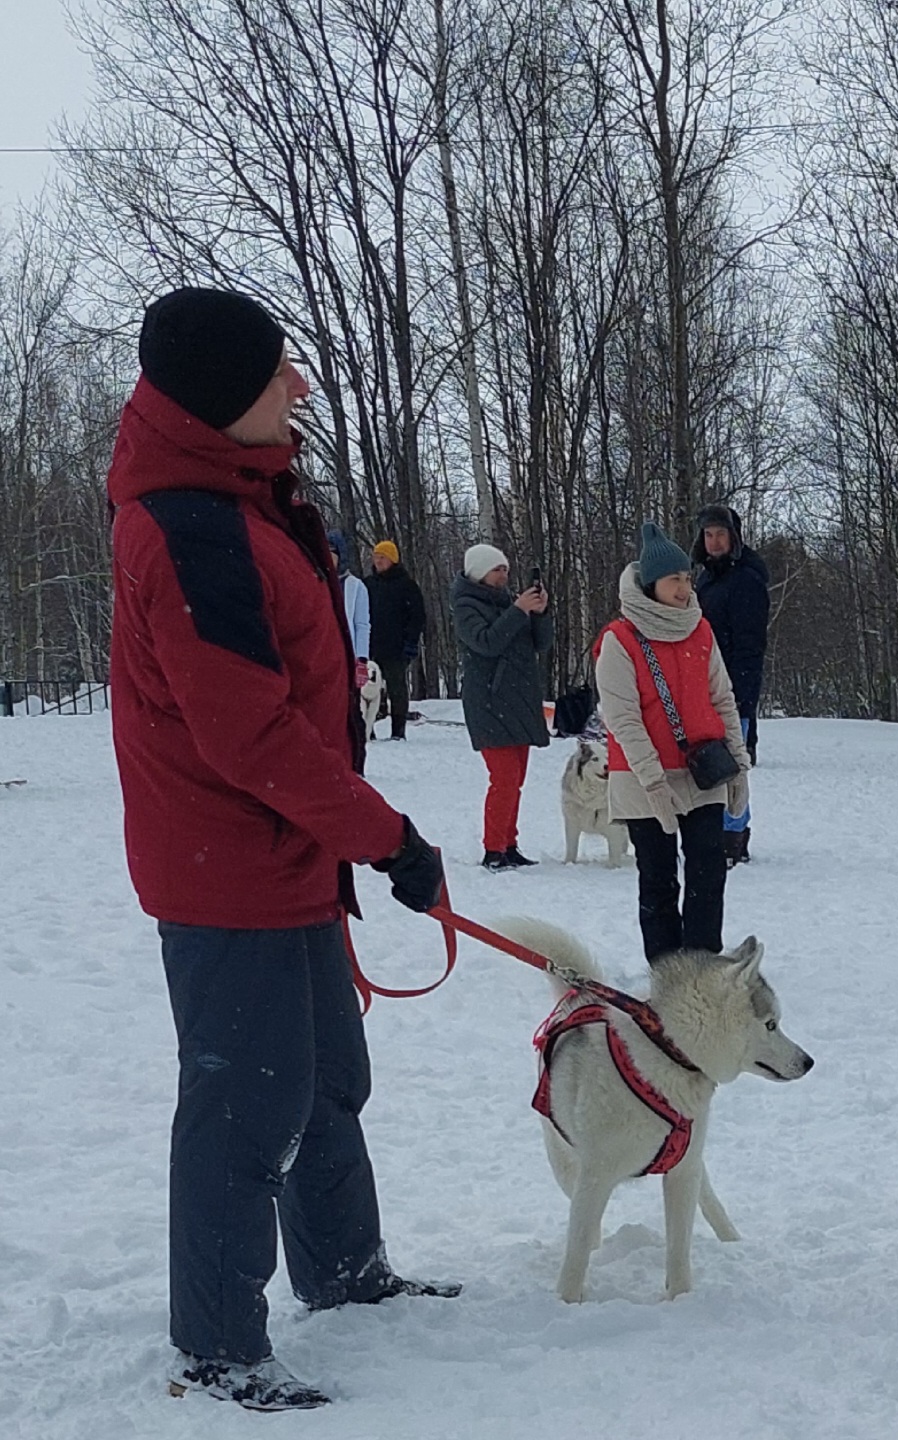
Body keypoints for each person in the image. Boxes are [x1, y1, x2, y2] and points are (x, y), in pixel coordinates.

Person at [109, 287, 454, 1412]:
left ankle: (346, 1276)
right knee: (246, 1103)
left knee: (326, 1083)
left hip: (285, 852)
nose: (299, 387)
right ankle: (215, 1344)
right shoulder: (192, 526)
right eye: (277, 376)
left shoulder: (241, 497)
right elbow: (251, 732)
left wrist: (355, 837)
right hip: (231, 865)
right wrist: (389, 838)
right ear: (221, 401)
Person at [597, 522, 752, 959]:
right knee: (659, 876)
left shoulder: (699, 630)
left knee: (709, 870)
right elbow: (623, 719)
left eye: (687, 578)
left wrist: (739, 767)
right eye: (674, 580)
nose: (685, 589)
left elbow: (723, 700)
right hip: (643, 776)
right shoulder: (619, 639)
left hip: (703, 771)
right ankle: (667, 971)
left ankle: (702, 964)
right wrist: (652, 781)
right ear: (651, 585)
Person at [451, 543, 552, 869]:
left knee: (516, 778)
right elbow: (486, 642)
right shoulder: (466, 605)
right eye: (498, 569)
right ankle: (493, 848)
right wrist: (519, 611)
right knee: (504, 777)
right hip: (489, 702)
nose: (504, 574)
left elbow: (541, 643)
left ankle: (509, 844)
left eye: (505, 568)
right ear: (481, 572)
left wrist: (540, 614)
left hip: (518, 697)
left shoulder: (511, 603)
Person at [690, 503, 769, 864]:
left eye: (721, 534)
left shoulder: (746, 579)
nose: (715, 541)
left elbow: (750, 645)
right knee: (709, 764)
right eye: (709, 534)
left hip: (734, 689)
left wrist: (739, 696)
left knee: (733, 765)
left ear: (734, 537)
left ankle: (734, 837)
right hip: (703, 684)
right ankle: (714, 833)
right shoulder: (706, 576)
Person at [367, 539, 427, 740]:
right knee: (369, 690)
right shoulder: (368, 585)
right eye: (376, 557)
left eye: (382, 557)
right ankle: (369, 729)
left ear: (392, 559)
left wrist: (411, 642)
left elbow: (417, 616)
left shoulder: (406, 585)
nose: (378, 561)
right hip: (370, 647)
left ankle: (398, 731)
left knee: (397, 689)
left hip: (396, 647)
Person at [326, 530, 372, 702]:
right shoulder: (316, 582)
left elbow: (362, 625)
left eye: (332, 554)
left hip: (346, 654)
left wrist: (361, 659)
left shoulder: (355, 586)